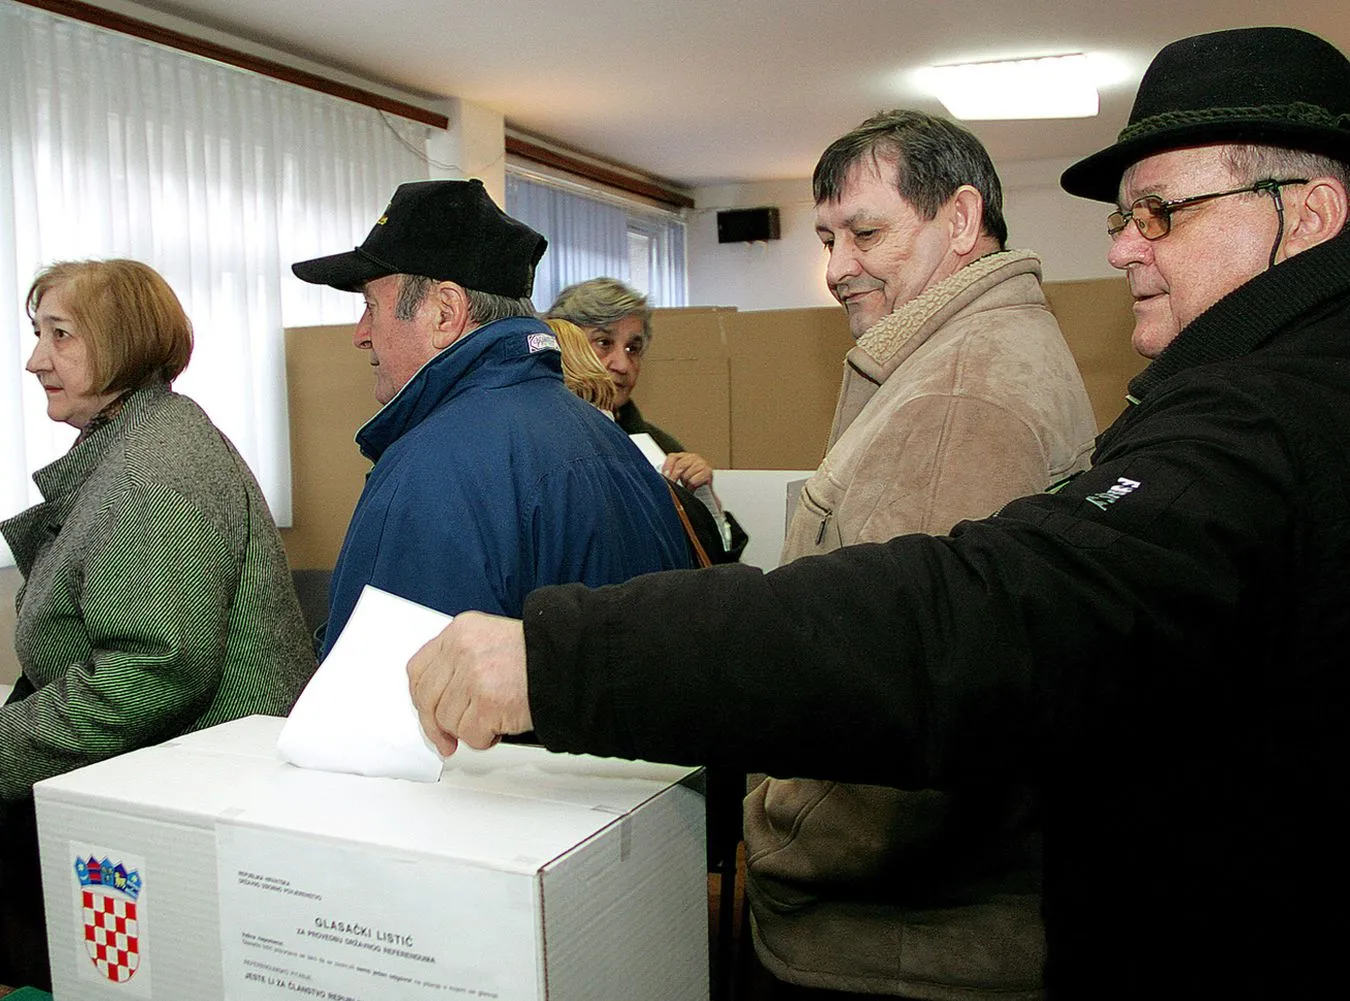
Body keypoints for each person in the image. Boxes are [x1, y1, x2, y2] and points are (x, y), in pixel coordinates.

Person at [406, 26, 1350, 997]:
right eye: (828, 240)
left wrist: (580, 671)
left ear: (1311, 213)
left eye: (1158, 213)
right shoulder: (1242, 391)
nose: (1120, 247)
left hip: (896, 946)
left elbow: (944, 634)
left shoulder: (1200, 414)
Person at [735, 109, 1096, 998]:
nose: (836, 268)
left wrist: (775, 832)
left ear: (961, 220)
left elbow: (910, 707)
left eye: (865, 234)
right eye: (828, 239)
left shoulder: (957, 395)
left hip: (894, 946)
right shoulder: (968, 352)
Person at [0, 259, 315, 987]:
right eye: (37, 333)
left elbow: (152, 670)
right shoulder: (137, 437)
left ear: (124, 339)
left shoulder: (155, 465)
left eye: (60, 335)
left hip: (195, 805)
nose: (36, 360)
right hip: (175, 789)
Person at [291, 179, 691, 655]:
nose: (361, 334)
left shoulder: (434, 468)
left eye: (370, 307)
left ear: (446, 313)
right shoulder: (617, 447)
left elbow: (384, 687)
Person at [547, 277, 748, 563]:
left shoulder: (662, 449)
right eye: (604, 343)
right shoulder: (537, 443)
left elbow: (715, 569)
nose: (623, 365)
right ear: (564, 347)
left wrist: (705, 503)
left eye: (633, 348)